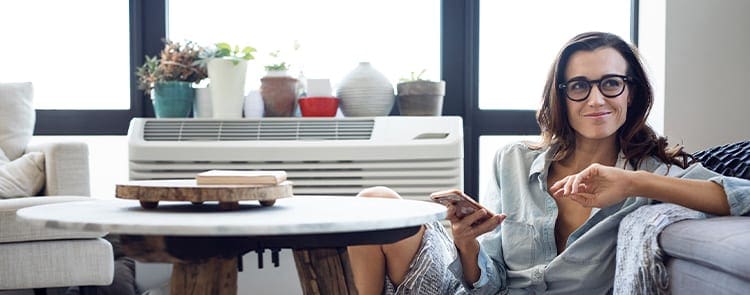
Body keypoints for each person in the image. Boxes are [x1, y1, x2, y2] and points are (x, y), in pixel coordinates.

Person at [346, 31, 750, 294]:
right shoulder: (514, 161)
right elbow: (489, 283)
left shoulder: (653, 172)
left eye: (611, 83)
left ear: (631, 92)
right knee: (376, 201)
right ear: (560, 96)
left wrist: (634, 185)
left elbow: (741, 195)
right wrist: (468, 246)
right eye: (579, 86)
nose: (596, 100)